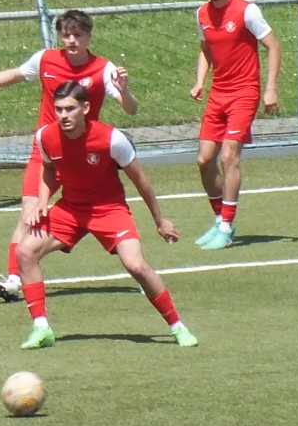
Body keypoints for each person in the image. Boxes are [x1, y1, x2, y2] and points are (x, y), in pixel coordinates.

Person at [0, 8, 138, 300]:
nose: (72, 40)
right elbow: (16, 74)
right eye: (66, 35)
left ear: (89, 36)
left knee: (100, 213)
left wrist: (124, 92)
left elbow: (131, 109)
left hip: (85, 158)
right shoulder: (45, 59)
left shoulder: (104, 69)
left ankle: (137, 267)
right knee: (28, 214)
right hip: (47, 154)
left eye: (78, 35)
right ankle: (14, 279)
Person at [14, 81, 196, 350]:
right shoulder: (45, 136)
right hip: (71, 208)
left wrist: (160, 220)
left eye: (70, 109)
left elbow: (141, 181)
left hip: (109, 209)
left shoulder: (112, 139)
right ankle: (42, 328)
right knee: (25, 251)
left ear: (86, 108)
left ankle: (177, 326)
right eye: (59, 109)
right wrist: (43, 200)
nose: (63, 115)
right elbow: (49, 169)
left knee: (136, 266)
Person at [190, 0, 280, 250]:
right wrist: (200, 81)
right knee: (204, 160)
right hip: (218, 94)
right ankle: (220, 220)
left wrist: (270, 88)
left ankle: (227, 228)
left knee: (229, 157)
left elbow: (274, 47)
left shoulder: (247, 11)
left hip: (244, 92)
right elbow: (206, 49)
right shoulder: (202, 13)